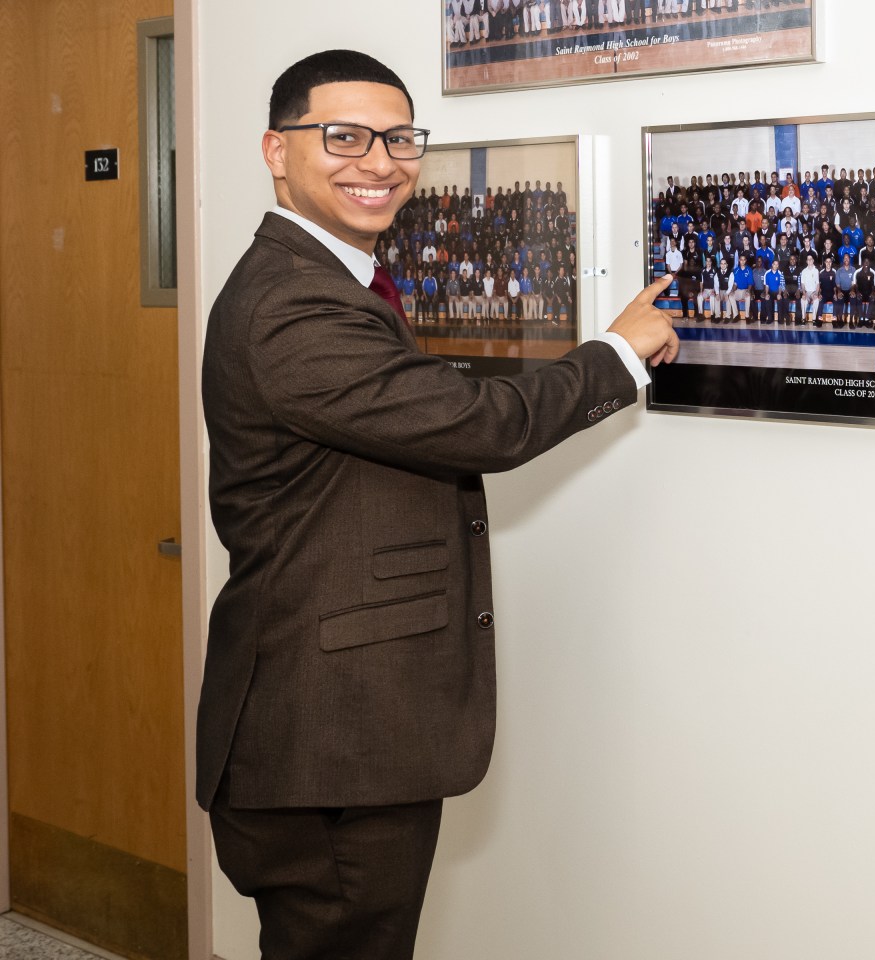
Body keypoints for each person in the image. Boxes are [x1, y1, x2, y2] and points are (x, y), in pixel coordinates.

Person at [199, 50, 677, 960]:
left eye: (398, 138)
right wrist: (613, 353)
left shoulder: (332, 278)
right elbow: (476, 426)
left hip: (345, 728)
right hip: (327, 738)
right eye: (342, 136)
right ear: (275, 149)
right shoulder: (292, 305)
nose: (378, 162)